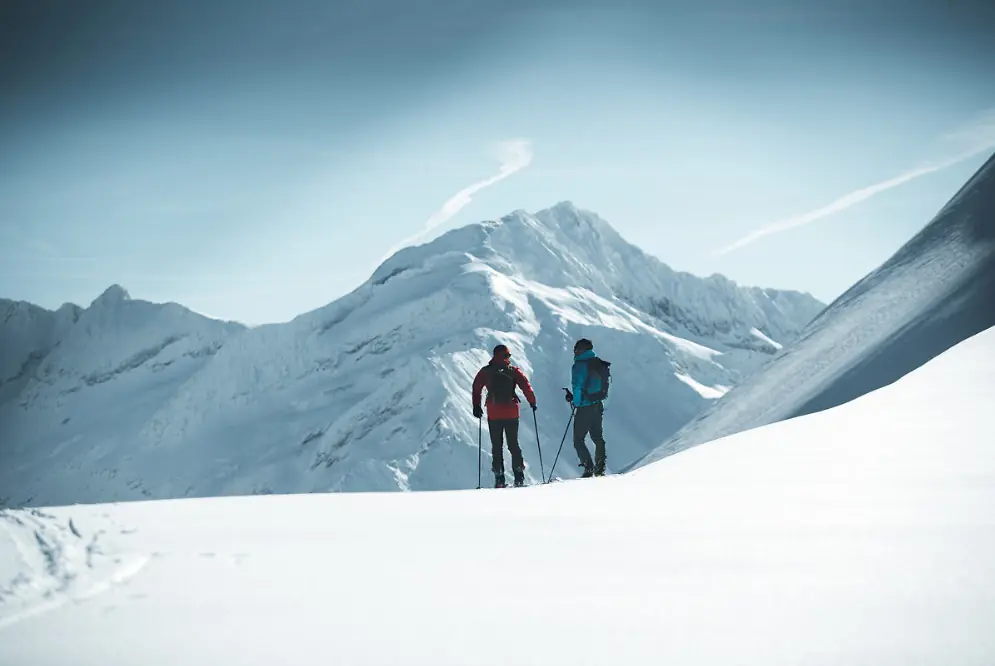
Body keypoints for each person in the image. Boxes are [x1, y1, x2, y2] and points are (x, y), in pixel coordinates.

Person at [472, 344, 537, 488]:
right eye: (508, 355)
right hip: (511, 412)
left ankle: (499, 478)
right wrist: (532, 401)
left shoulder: (486, 371)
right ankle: (519, 476)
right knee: (513, 444)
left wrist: (476, 406)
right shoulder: (513, 371)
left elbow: (476, 388)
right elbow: (526, 386)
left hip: (494, 413)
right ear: (505, 356)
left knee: (497, 446)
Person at [564, 338, 609, 477]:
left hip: (585, 407)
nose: (575, 352)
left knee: (578, 440)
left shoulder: (578, 366)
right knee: (597, 437)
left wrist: (576, 401)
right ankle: (600, 467)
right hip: (598, 404)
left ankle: (588, 467)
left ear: (581, 350)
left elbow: (577, 386)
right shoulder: (597, 363)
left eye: (576, 349)